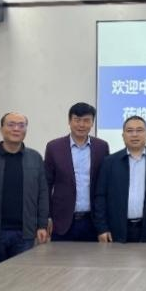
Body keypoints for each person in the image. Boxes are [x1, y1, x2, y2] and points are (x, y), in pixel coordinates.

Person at [0, 112, 49, 269]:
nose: (16, 129)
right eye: (11, 125)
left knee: (21, 279)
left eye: (21, 125)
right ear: (1, 129)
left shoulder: (35, 158)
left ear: (26, 130)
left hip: (25, 234)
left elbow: (43, 194)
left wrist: (42, 225)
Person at [93, 116, 146, 243]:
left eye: (139, 130)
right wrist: (102, 228)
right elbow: (100, 197)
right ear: (123, 136)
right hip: (116, 230)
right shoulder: (110, 162)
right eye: (129, 131)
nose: (134, 135)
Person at [45, 103, 110, 241]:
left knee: (94, 256)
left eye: (86, 120)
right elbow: (47, 185)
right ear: (69, 121)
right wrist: (47, 216)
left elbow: (105, 185)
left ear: (92, 123)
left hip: (93, 221)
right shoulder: (54, 147)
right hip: (62, 221)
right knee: (61, 255)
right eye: (77, 120)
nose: (81, 125)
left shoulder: (102, 147)